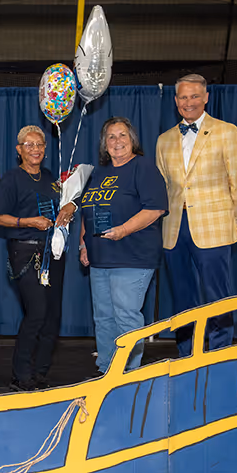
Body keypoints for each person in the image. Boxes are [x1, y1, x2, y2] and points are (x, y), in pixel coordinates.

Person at [156, 74, 237, 356]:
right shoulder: (164, 140)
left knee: (217, 294)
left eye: (195, 96)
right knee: (183, 296)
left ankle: (220, 352)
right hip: (174, 229)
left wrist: (229, 220)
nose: (189, 102)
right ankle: (187, 352)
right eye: (183, 97)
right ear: (176, 101)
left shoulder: (226, 131)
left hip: (214, 226)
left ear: (206, 98)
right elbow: (162, 187)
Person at [79, 117, 168, 375]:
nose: (117, 142)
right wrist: (84, 245)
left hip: (133, 257)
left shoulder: (144, 168)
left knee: (126, 317)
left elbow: (155, 209)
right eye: (111, 137)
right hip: (100, 258)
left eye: (122, 136)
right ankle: (107, 371)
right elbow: (88, 211)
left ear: (132, 141)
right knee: (104, 318)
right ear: (104, 145)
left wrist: (123, 230)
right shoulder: (98, 173)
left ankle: (129, 373)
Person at [0, 125, 64, 391]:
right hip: (25, 251)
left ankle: (40, 372)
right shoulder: (12, 179)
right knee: (37, 312)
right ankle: (20, 374)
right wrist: (28, 222)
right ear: (19, 150)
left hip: (53, 252)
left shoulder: (50, 178)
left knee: (53, 315)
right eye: (29, 144)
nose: (35, 149)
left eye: (40, 144)